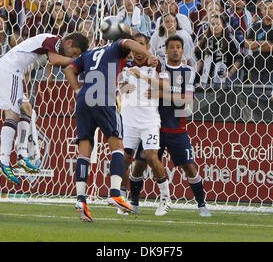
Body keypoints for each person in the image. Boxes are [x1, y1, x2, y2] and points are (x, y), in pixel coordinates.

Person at [64, 32, 159, 222]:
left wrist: (77, 90)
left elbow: (68, 69)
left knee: (84, 150)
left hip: (84, 99)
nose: (132, 54)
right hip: (104, 97)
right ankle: (115, 192)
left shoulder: (89, 54)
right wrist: (149, 55)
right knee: (117, 147)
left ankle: (81, 199)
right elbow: (129, 42)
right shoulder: (118, 47)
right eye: (130, 51)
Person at [0, 33, 89, 185]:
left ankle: (22, 155)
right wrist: (81, 61)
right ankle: (3, 160)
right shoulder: (55, 40)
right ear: (69, 42)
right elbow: (55, 60)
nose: (72, 56)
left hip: (7, 70)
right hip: (9, 70)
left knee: (27, 109)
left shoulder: (48, 45)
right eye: (74, 53)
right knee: (13, 115)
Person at [129, 35, 211, 217]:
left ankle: (202, 205)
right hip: (153, 126)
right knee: (139, 165)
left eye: (178, 47)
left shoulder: (188, 71)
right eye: (171, 47)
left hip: (177, 127)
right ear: (165, 50)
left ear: (183, 51)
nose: (175, 50)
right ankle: (134, 202)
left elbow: (187, 99)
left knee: (189, 167)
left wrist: (160, 94)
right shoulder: (157, 68)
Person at [118, 33, 170, 216]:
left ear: (147, 47)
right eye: (134, 46)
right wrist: (129, 87)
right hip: (129, 119)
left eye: (141, 45)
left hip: (149, 119)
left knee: (150, 155)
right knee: (124, 159)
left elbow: (164, 87)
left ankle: (165, 198)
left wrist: (143, 78)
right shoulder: (125, 65)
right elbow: (123, 88)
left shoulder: (156, 64)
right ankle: (123, 201)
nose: (137, 50)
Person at [194, 14, 243, 88]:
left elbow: (239, 58)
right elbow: (200, 60)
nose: (215, 26)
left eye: (218, 24)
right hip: (206, 80)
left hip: (224, 80)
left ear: (223, 25)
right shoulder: (204, 40)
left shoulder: (230, 40)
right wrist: (194, 73)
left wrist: (230, 73)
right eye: (212, 24)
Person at [245, 0, 273, 85]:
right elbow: (247, 44)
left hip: (272, 69)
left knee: (269, 96)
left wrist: (256, 47)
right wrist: (263, 43)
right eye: (266, 8)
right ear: (262, 11)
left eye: (271, 8)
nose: (268, 11)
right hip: (255, 69)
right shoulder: (256, 26)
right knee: (255, 96)